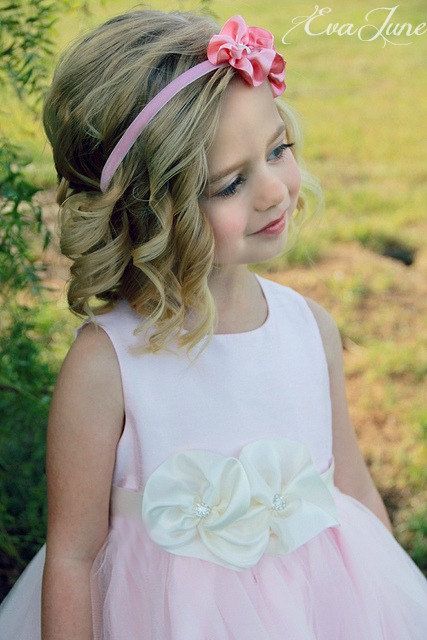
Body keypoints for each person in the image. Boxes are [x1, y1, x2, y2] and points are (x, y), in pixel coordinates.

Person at [0, 9, 426, 640]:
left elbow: (355, 492)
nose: (276, 192)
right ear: (149, 209)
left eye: (278, 149)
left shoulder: (309, 329)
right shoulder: (107, 364)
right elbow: (73, 554)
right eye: (230, 184)